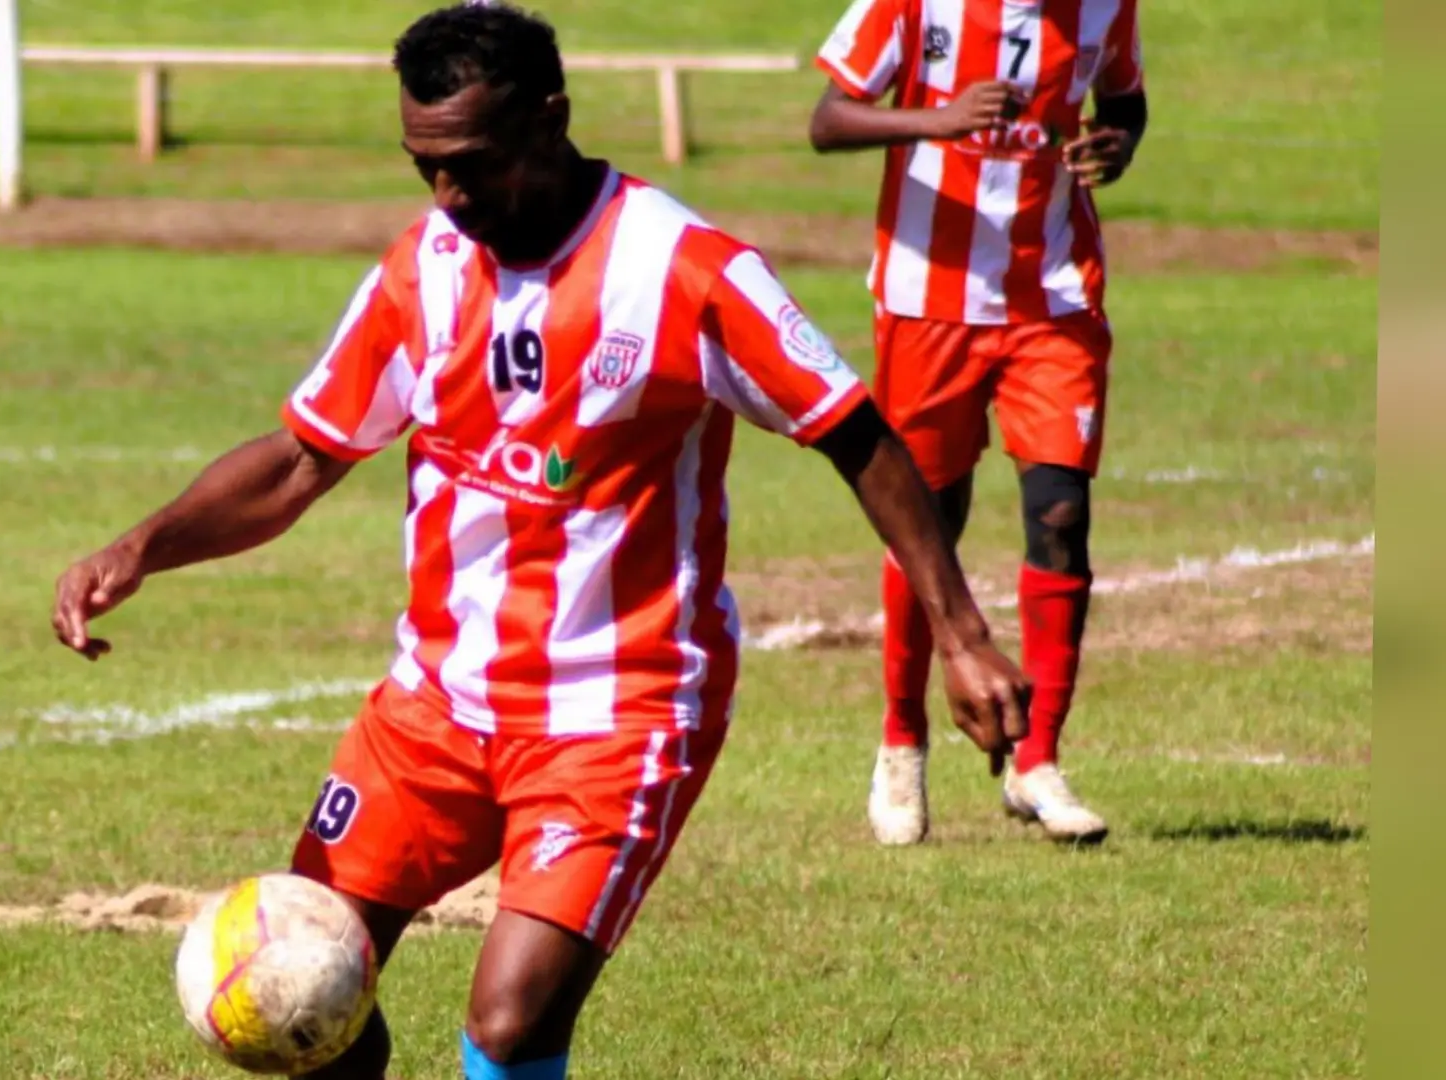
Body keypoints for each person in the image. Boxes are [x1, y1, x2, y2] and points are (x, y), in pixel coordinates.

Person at [51, 5, 1029, 1077]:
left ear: (550, 116)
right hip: (431, 710)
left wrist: (963, 632)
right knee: (302, 978)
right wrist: (142, 545)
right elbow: (298, 460)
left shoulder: (683, 270)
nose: (449, 198)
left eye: (473, 164)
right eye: (425, 167)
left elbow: (858, 434)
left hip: (619, 715)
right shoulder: (421, 269)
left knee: (510, 1023)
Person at [808, 0, 1149, 846]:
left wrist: (1119, 144)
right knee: (928, 524)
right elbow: (827, 121)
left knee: (1062, 515)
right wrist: (941, 119)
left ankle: (1039, 763)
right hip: (931, 300)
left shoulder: (1107, 5)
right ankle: (900, 742)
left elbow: (1127, 100)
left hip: (1055, 296)